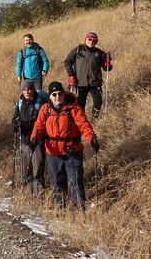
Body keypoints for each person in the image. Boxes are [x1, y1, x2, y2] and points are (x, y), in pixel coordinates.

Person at [31, 81, 99, 209]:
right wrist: (34, 137)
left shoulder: (73, 108)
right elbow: (39, 125)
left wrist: (91, 139)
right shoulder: (45, 109)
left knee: (75, 181)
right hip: (53, 152)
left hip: (72, 151)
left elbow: (84, 124)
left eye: (60, 94)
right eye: (54, 94)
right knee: (57, 182)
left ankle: (78, 210)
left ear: (63, 94)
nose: (57, 97)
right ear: (50, 96)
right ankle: (60, 209)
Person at [11, 80, 48, 195]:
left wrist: (24, 124)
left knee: (38, 168)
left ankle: (38, 195)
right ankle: (27, 194)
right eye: (24, 89)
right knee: (25, 168)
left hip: (38, 140)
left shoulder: (40, 103)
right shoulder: (20, 102)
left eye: (29, 89)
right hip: (25, 140)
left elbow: (41, 122)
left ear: (32, 89)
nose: (26, 92)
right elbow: (15, 118)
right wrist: (15, 125)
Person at [64, 32, 113, 118]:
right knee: (80, 104)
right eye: (89, 39)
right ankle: (82, 122)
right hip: (80, 83)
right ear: (85, 39)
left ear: (96, 42)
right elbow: (67, 61)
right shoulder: (78, 50)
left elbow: (106, 68)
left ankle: (94, 118)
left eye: (94, 40)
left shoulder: (99, 53)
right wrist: (71, 75)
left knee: (98, 101)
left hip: (95, 83)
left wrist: (108, 64)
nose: (91, 42)